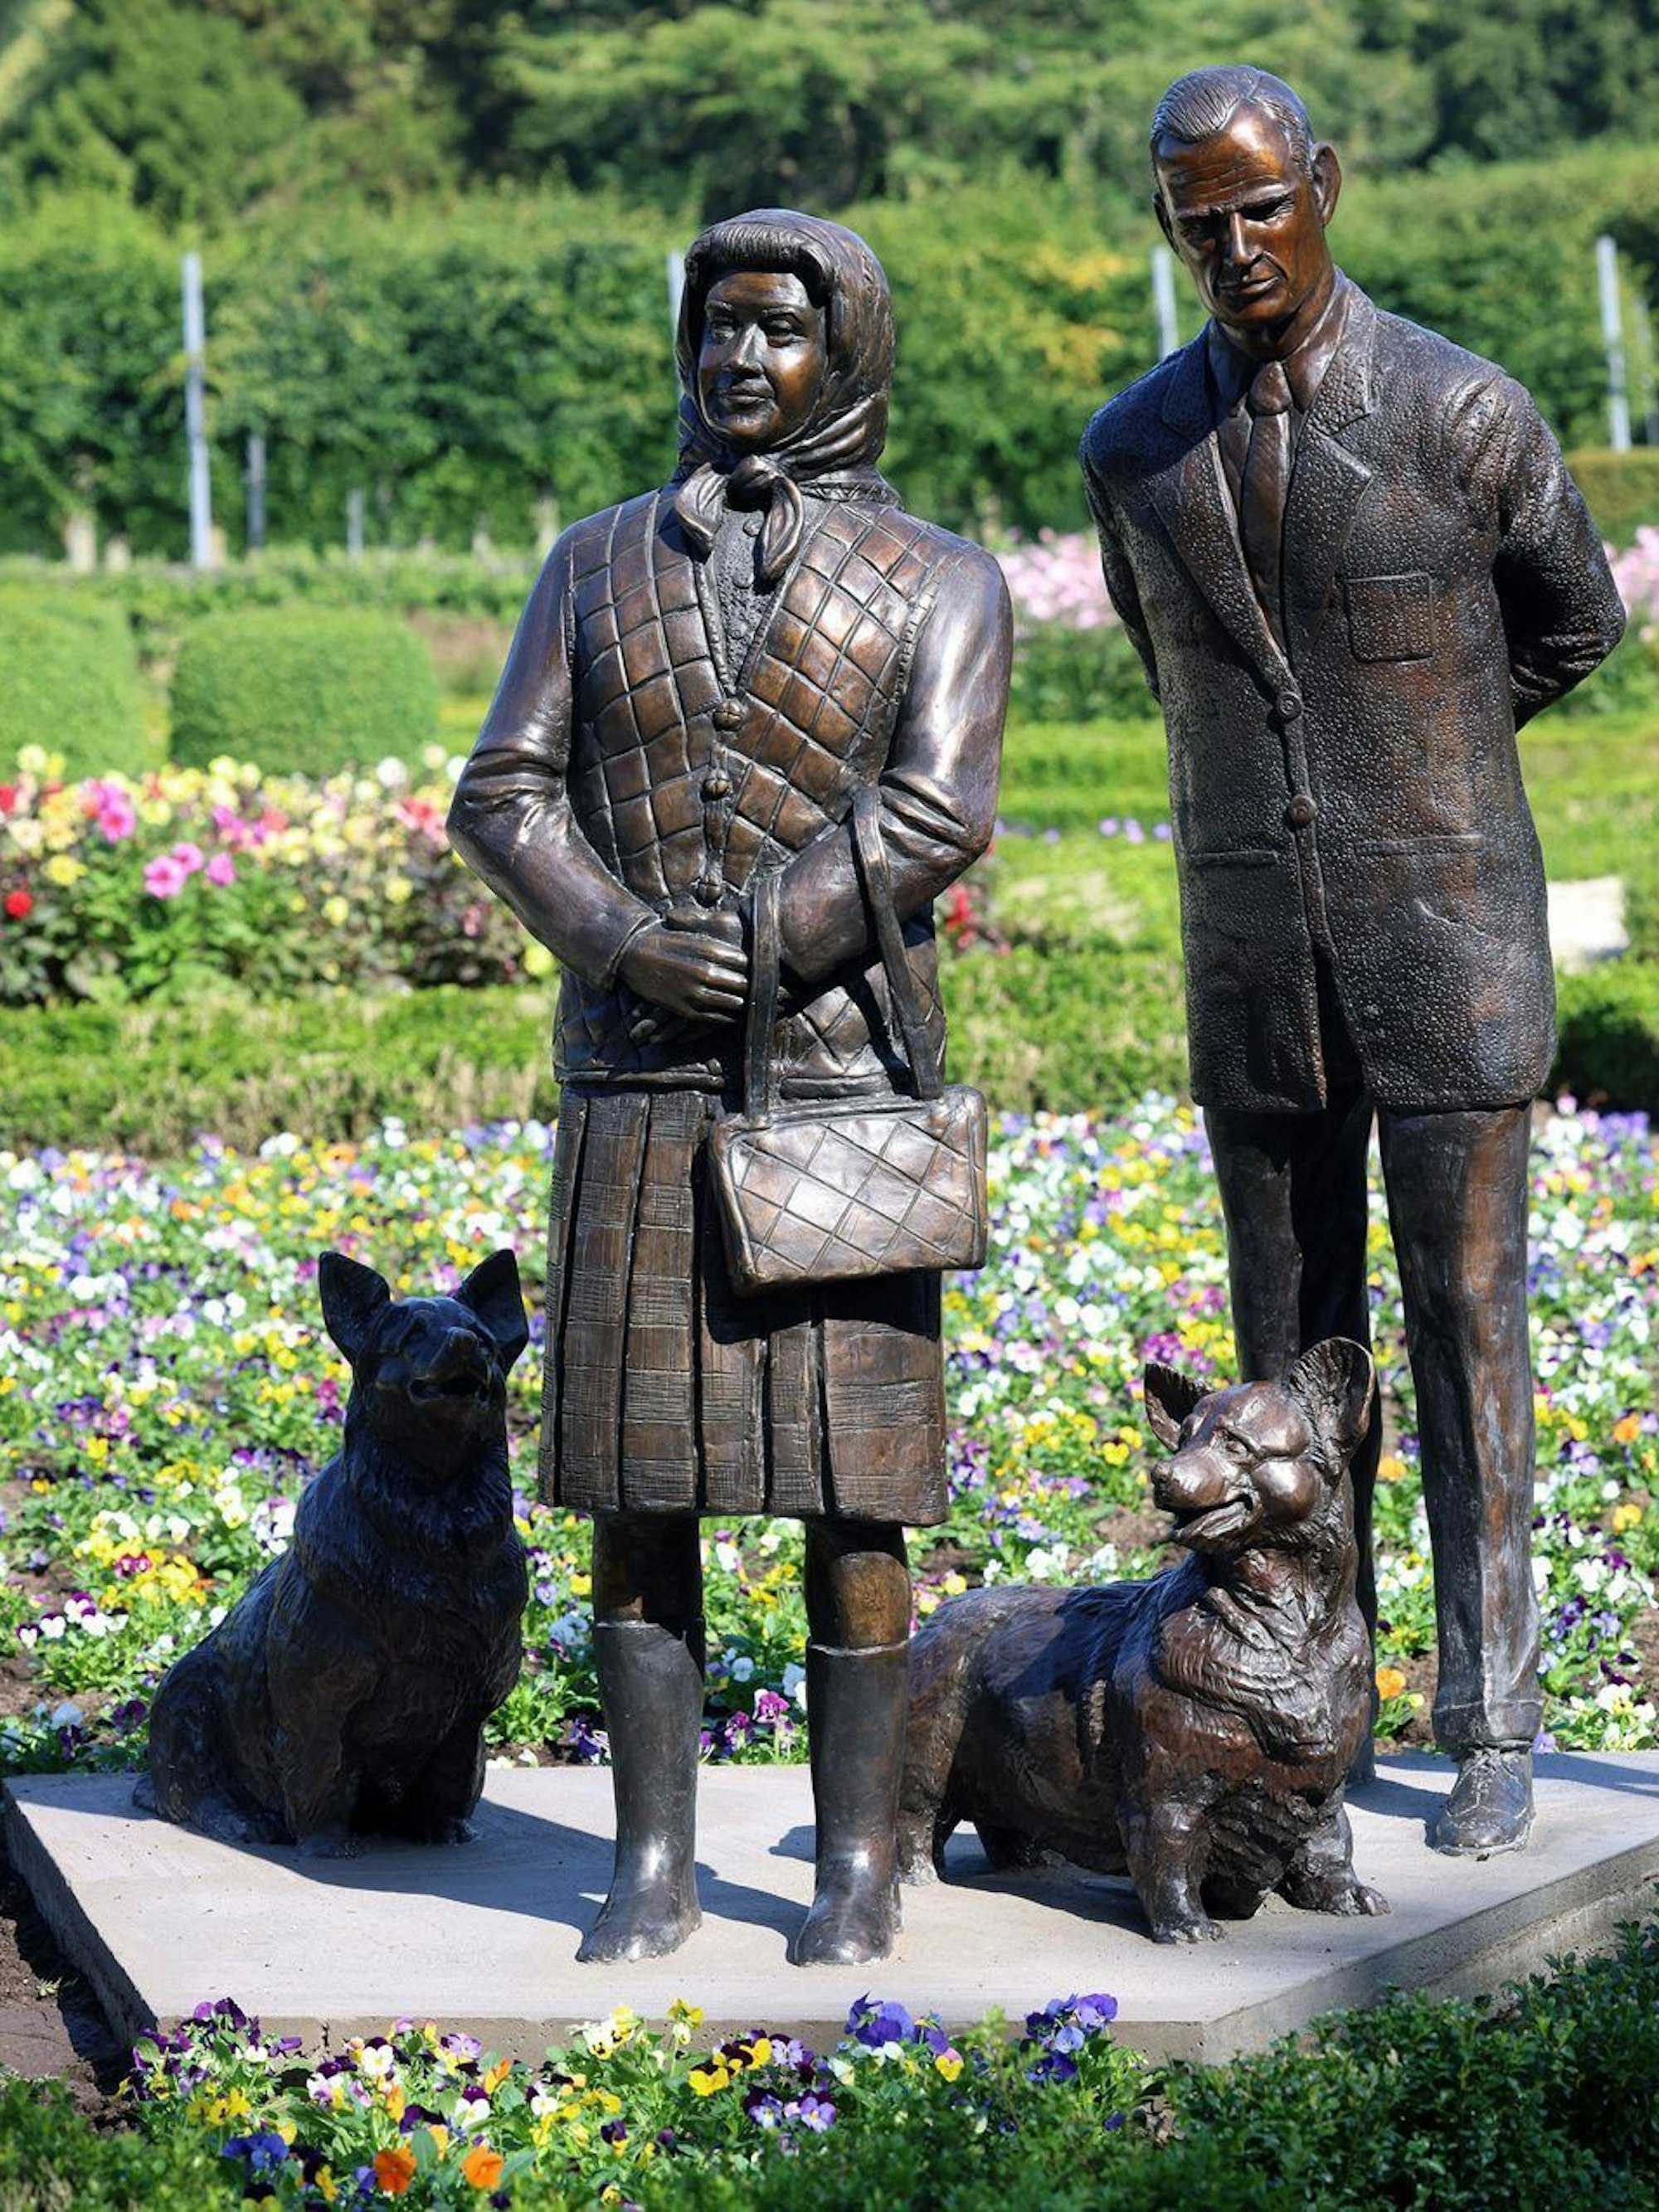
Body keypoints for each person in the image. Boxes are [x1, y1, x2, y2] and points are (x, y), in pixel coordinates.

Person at [448, 209, 1010, 1963]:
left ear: (845, 350)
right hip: (636, 1081)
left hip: (837, 1086)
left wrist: (758, 941)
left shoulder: (942, 577)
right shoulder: (593, 559)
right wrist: (619, 941)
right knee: (641, 1485)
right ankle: (653, 1863)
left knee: (857, 1492)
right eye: (714, 330)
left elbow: (933, 812)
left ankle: (854, 1868)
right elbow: (505, 791)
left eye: (774, 331)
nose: (736, 362)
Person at [1080, 67, 1624, 1855]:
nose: (1232, 245)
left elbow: (1575, 619)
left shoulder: (1464, 412)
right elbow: (1184, 682)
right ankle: (1310, 1714)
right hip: (1253, 958)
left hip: (1448, 940)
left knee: (1466, 1336)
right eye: (1195, 219)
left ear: (1322, 184)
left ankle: (1490, 1713)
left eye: (1257, 205)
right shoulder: (1135, 447)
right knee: (1278, 1370)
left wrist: (1440, 760)